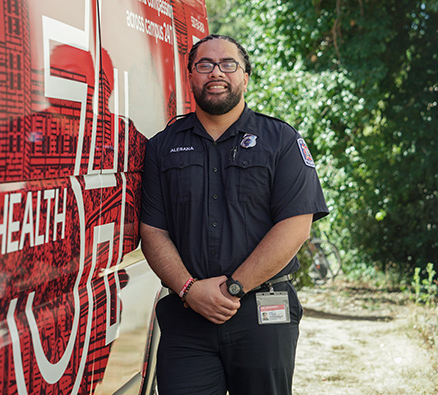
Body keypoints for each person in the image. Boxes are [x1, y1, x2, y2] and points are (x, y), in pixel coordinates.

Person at [140, 34, 329, 394]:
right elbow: (153, 231)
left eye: (229, 64)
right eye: (205, 65)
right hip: (187, 315)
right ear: (190, 77)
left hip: (262, 312)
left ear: (245, 77)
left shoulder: (281, 141)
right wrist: (189, 290)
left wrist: (234, 287)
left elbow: (295, 226)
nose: (217, 72)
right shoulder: (162, 147)